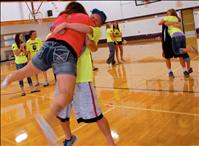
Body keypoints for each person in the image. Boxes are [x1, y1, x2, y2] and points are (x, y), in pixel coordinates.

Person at [1, 2, 96, 118]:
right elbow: (89, 33)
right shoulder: (84, 18)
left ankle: (7, 80)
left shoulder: (61, 16)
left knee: (25, 71)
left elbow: (56, 32)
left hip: (48, 44)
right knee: (66, 94)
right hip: (65, 50)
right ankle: (48, 119)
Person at [53, 8, 116, 146]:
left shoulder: (95, 31)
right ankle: (69, 138)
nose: (93, 20)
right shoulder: (76, 25)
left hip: (82, 78)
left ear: (99, 25)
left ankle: (111, 143)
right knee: (62, 114)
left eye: (96, 20)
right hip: (64, 77)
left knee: (96, 114)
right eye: (92, 17)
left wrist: (88, 42)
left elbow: (91, 45)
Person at [159, 8, 197, 77]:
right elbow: (163, 32)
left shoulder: (176, 20)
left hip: (175, 38)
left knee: (180, 55)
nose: (167, 14)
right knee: (168, 57)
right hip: (167, 41)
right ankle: (170, 71)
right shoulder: (166, 21)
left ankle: (185, 70)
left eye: (168, 13)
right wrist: (163, 48)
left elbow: (179, 27)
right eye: (166, 13)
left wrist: (175, 23)